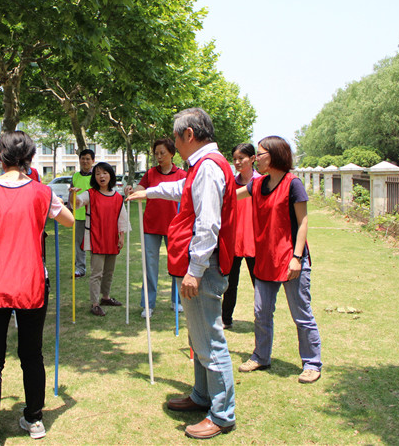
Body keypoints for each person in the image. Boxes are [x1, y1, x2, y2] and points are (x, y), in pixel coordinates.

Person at [126, 108, 236, 439]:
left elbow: (207, 224)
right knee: (198, 337)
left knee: (210, 340)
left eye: (175, 137)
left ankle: (222, 413)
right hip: (201, 267)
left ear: (189, 135)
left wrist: (195, 270)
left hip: (204, 268)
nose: (173, 143)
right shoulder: (202, 167)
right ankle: (202, 397)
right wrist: (151, 191)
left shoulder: (207, 168)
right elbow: (181, 192)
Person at [0, 131, 74, 446]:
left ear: (1, 156)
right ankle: (34, 418)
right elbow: (69, 220)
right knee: (31, 353)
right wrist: (55, 202)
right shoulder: (42, 192)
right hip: (31, 283)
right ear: (30, 159)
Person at [236, 135, 322, 384]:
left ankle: (312, 363)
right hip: (265, 259)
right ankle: (261, 356)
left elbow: (303, 222)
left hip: (291, 260)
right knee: (261, 312)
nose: (256, 159)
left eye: (260, 154)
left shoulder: (292, 184)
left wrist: (297, 257)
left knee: (301, 314)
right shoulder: (258, 184)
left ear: (274, 156)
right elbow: (231, 195)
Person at [124, 139, 187, 318]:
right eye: (156, 154)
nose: (159, 157)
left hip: (175, 226)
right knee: (149, 266)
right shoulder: (150, 173)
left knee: (177, 265)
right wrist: (131, 190)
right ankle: (148, 304)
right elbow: (140, 189)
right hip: (151, 225)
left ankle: (178, 300)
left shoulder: (182, 174)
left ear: (172, 153)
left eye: (163, 153)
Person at [71, 162, 129, 317]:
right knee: (97, 273)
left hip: (112, 239)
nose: (101, 176)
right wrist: (73, 194)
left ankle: (105, 297)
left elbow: (121, 218)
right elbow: (76, 203)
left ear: (110, 175)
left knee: (109, 271)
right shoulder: (90, 194)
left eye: (104, 173)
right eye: (97, 173)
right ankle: (95, 303)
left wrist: (121, 236)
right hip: (97, 239)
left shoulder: (117, 197)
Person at [221, 143, 262, 329]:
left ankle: (262, 320)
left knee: (260, 286)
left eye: (241, 158)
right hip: (233, 241)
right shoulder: (230, 183)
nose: (237, 162)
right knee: (229, 285)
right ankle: (225, 319)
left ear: (253, 159)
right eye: (235, 159)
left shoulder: (263, 182)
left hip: (256, 242)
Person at [69, 149, 94, 278]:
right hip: (78, 216)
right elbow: (71, 193)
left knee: (94, 243)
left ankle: (96, 269)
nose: (85, 161)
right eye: (83, 158)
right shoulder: (75, 176)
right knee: (79, 243)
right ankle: (80, 268)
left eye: (88, 159)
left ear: (93, 161)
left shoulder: (97, 176)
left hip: (94, 216)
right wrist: (69, 209)